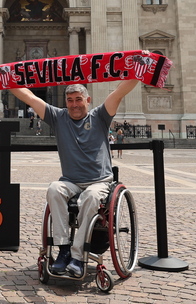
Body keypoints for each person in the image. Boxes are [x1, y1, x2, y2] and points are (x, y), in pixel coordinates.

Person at [9, 79, 140, 278]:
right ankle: (63, 249)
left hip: (99, 182)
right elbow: (29, 97)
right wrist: (1, 79)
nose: (74, 104)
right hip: (70, 181)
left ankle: (77, 255)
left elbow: (119, 92)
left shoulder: (100, 116)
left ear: (88, 100)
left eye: (78, 99)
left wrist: (138, 73)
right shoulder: (58, 117)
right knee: (54, 188)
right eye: (70, 100)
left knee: (90, 197)